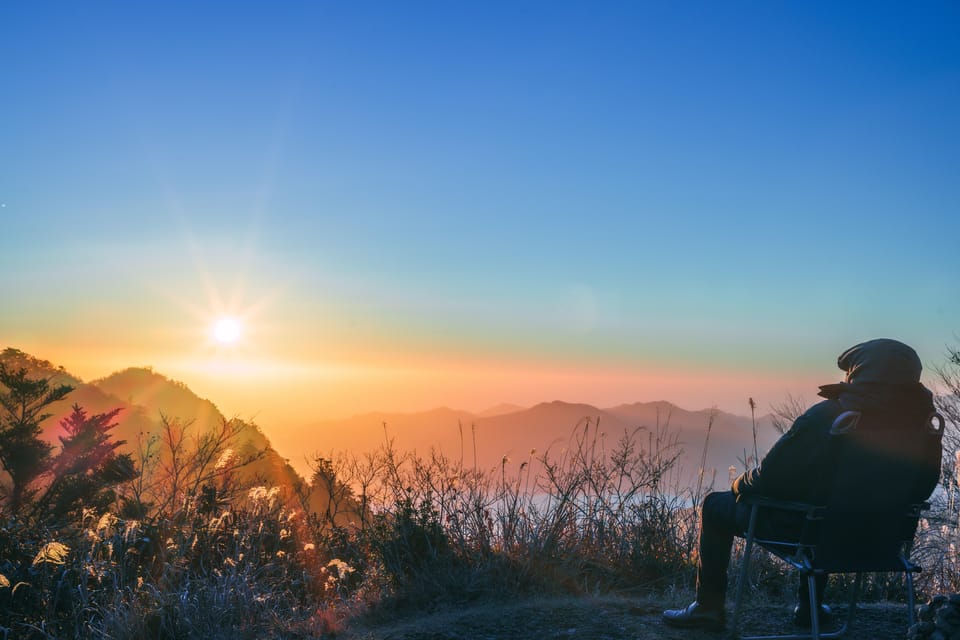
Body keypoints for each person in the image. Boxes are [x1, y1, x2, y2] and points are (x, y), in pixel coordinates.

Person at [662, 338, 942, 631]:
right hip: (880, 539)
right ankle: (810, 610)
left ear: (858, 372)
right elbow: (922, 489)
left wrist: (738, 485)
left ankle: (707, 609)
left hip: (811, 533)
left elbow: (768, 479)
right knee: (823, 509)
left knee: (715, 505)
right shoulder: (924, 427)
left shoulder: (831, 417)